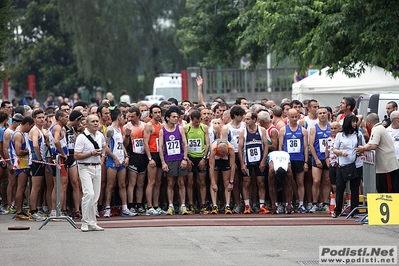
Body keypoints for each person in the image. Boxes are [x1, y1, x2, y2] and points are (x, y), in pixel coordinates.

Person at [74, 114, 106, 232]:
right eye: (93, 121)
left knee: (96, 195)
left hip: (97, 167)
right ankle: (84, 221)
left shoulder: (100, 135)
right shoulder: (81, 137)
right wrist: (91, 153)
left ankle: (92, 222)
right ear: (86, 124)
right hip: (85, 167)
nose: (96, 123)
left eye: (97, 121)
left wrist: (102, 156)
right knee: (89, 193)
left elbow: (104, 146)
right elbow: (76, 155)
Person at [103, 108, 136, 218]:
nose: (124, 119)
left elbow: (121, 145)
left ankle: (125, 208)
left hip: (121, 160)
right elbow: (105, 146)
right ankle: (107, 208)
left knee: (122, 184)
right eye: (123, 117)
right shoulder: (110, 129)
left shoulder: (119, 129)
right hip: (112, 160)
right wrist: (115, 158)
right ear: (118, 117)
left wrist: (126, 156)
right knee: (110, 185)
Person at [357, 113, 399, 193]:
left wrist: (362, 148)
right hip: (383, 165)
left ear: (369, 122)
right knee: (381, 187)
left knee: (388, 189)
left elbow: (373, 145)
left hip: (387, 166)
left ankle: (391, 204)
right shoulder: (380, 128)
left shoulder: (377, 129)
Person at [332, 114, 365, 218]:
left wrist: (361, 150)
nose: (355, 124)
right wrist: (341, 152)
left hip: (356, 164)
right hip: (343, 165)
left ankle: (354, 210)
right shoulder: (339, 135)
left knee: (355, 187)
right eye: (353, 122)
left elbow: (364, 147)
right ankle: (337, 210)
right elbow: (334, 149)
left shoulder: (358, 134)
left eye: (356, 122)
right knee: (340, 187)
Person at [159, 106, 189, 215]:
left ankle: (183, 206)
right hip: (169, 159)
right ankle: (170, 205)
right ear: (167, 118)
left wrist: (185, 159)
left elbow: (185, 144)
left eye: (177, 117)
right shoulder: (162, 131)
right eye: (173, 117)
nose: (176, 119)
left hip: (179, 158)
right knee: (170, 183)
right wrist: (163, 162)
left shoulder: (180, 128)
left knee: (181, 182)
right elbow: (161, 147)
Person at [238, 112, 269, 214]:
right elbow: (240, 148)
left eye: (248, 119)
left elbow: (266, 146)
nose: (245, 121)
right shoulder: (243, 132)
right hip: (247, 161)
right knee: (246, 182)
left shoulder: (262, 130)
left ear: (254, 120)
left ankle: (262, 206)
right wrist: (242, 163)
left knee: (261, 182)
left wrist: (263, 161)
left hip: (259, 161)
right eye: (245, 119)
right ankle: (247, 206)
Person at [279, 109, 309, 213]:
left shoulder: (303, 130)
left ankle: (300, 203)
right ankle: (289, 203)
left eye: (296, 117)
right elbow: (280, 146)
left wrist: (306, 161)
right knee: (288, 182)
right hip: (288, 160)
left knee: (300, 182)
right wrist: (280, 161)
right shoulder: (283, 130)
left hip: (299, 159)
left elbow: (305, 147)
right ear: (287, 117)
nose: (294, 119)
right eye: (292, 117)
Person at [185, 110, 210, 214]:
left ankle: (203, 205)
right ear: (191, 120)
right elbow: (184, 144)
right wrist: (187, 159)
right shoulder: (186, 128)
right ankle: (191, 204)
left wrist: (204, 158)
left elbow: (207, 144)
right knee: (190, 182)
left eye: (199, 121)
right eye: (195, 122)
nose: (197, 123)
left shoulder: (204, 128)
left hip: (200, 157)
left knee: (202, 182)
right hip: (190, 157)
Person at [124, 107, 147, 214]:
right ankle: (131, 204)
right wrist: (127, 135)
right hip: (133, 155)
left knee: (140, 183)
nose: (130, 118)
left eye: (133, 116)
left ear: (138, 116)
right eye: (129, 116)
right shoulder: (126, 126)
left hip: (143, 156)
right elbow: (124, 144)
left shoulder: (144, 125)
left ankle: (139, 204)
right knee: (132, 182)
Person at [12, 117, 35, 220]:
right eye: (31, 126)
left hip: (24, 163)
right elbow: (18, 152)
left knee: (23, 186)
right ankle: (19, 211)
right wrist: (29, 151)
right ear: (26, 124)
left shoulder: (22, 134)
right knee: (21, 187)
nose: (31, 129)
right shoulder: (18, 134)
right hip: (21, 164)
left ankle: (21, 210)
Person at [308, 107, 330, 213]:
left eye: (324, 113)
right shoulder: (314, 128)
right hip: (318, 158)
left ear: (327, 114)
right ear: (317, 115)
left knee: (327, 181)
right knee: (316, 181)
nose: (322, 115)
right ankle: (314, 203)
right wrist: (316, 159)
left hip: (328, 159)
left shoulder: (332, 127)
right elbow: (311, 145)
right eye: (320, 113)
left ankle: (325, 203)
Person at [143, 104, 164, 215]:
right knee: (151, 181)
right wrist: (150, 158)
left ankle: (156, 205)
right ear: (151, 114)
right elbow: (145, 142)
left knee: (158, 182)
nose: (157, 114)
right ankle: (149, 206)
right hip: (152, 154)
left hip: (160, 154)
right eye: (155, 112)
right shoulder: (149, 125)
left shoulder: (161, 125)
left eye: (159, 112)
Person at [27, 109, 47, 221]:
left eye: (43, 117)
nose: (42, 119)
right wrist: (39, 159)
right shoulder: (35, 130)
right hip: (36, 161)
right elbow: (35, 145)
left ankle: (35, 209)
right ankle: (33, 211)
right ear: (34, 119)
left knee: (38, 187)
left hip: (38, 161)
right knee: (36, 187)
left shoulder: (40, 130)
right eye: (39, 118)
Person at [208, 139, 235, 214]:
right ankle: (214, 205)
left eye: (225, 153)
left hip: (225, 160)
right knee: (214, 181)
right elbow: (211, 166)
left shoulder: (231, 149)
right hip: (216, 159)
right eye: (222, 154)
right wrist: (213, 182)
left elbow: (232, 166)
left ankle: (227, 205)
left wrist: (231, 182)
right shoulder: (213, 148)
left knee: (226, 182)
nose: (223, 155)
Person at [64, 110, 84, 218]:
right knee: (64, 184)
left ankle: (77, 209)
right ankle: (63, 208)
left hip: (72, 156)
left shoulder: (72, 129)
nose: (80, 123)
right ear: (76, 120)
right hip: (65, 156)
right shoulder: (64, 128)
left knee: (76, 183)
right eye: (80, 121)